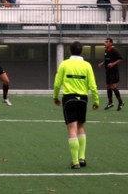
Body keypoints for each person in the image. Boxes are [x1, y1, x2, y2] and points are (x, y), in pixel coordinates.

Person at [53, 41, 99, 169]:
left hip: (69, 98)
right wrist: (96, 100)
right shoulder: (87, 65)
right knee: (81, 127)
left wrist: (55, 96)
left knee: (72, 129)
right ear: (81, 51)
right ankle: (82, 158)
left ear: (70, 51)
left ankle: (75, 162)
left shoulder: (64, 64)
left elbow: (57, 83)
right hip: (83, 99)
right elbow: (93, 85)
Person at [98, 38, 124, 110]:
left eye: (107, 42)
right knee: (108, 87)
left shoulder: (114, 51)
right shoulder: (106, 50)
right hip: (108, 71)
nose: (105, 43)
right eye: (105, 41)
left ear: (111, 43)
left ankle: (121, 102)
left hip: (113, 72)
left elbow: (121, 59)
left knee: (113, 87)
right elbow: (107, 59)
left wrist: (113, 63)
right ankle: (110, 103)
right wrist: (102, 63)